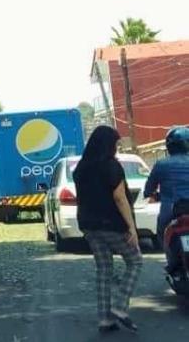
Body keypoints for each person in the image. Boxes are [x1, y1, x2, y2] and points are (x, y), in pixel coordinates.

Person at [73, 125, 142, 334]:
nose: (117, 147)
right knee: (136, 260)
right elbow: (120, 198)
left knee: (104, 269)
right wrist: (132, 228)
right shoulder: (110, 166)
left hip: (88, 225)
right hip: (111, 224)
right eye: (115, 143)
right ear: (108, 144)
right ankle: (120, 307)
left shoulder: (81, 168)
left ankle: (104, 319)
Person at [143, 126, 189, 271]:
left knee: (162, 234)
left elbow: (148, 190)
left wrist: (155, 195)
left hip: (170, 212)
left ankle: (171, 262)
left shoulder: (161, 165)